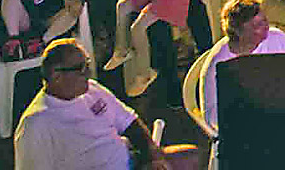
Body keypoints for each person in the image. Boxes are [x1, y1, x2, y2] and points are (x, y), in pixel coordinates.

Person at [14, 38, 200, 170]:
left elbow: (131, 123)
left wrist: (151, 157)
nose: (88, 73)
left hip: (131, 161)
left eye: (87, 64)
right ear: (56, 76)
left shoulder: (92, 90)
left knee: (191, 157)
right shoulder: (36, 123)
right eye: (81, 69)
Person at [198, 0, 285, 133]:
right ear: (238, 32)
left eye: (265, 20)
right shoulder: (219, 64)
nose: (266, 26)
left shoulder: (278, 38)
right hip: (244, 128)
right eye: (257, 25)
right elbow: (212, 116)